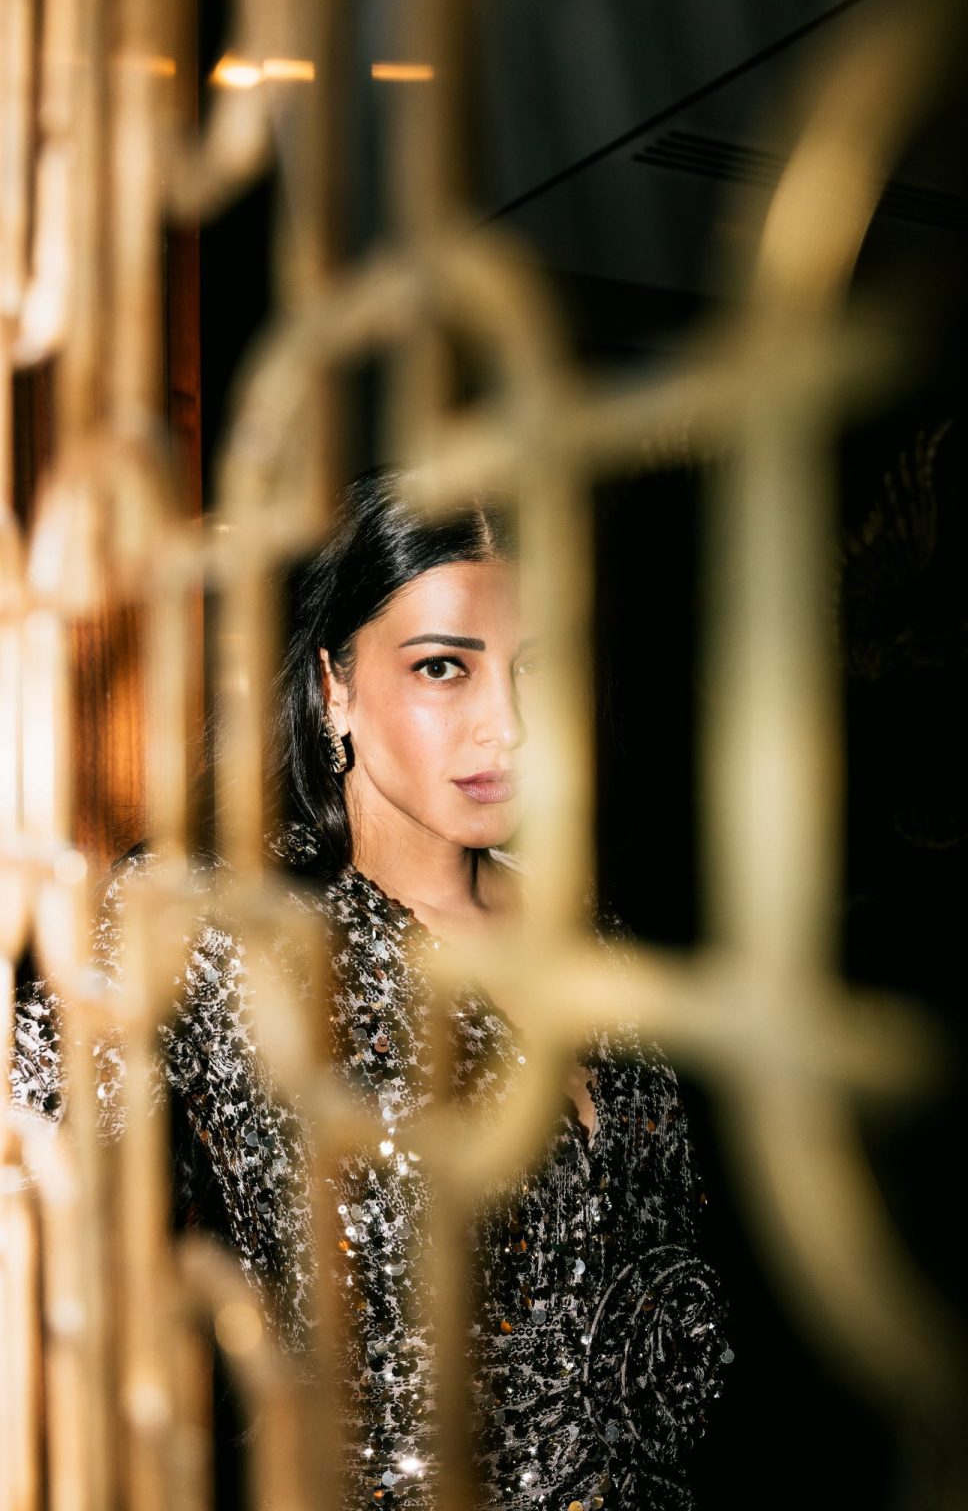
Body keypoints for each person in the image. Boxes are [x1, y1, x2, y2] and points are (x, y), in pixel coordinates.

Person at [11, 466, 729, 1510]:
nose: (509, 727)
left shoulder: (595, 931)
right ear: (334, 684)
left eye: (535, 666)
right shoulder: (214, 931)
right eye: (444, 668)